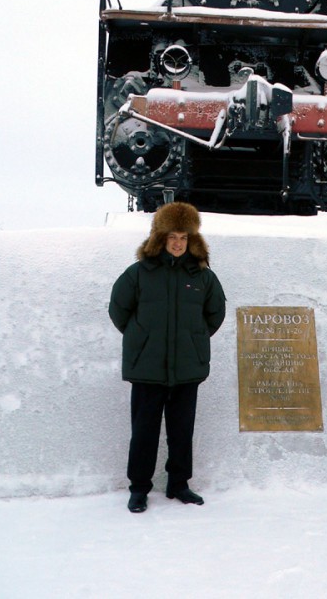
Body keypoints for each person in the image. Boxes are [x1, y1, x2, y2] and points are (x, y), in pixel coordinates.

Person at [109, 202, 226, 513]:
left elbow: (215, 314)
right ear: (160, 238)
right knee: (144, 432)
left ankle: (179, 484)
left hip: (187, 369)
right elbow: (119, 310)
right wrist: (142, 338)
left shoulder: (202, 276)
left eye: (184, 237)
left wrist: (193, 340)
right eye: (172, 236)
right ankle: (139, 488)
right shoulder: (138, 274)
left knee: (181, 430)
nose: (178, 243)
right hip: (148, 369)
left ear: (192, 241)